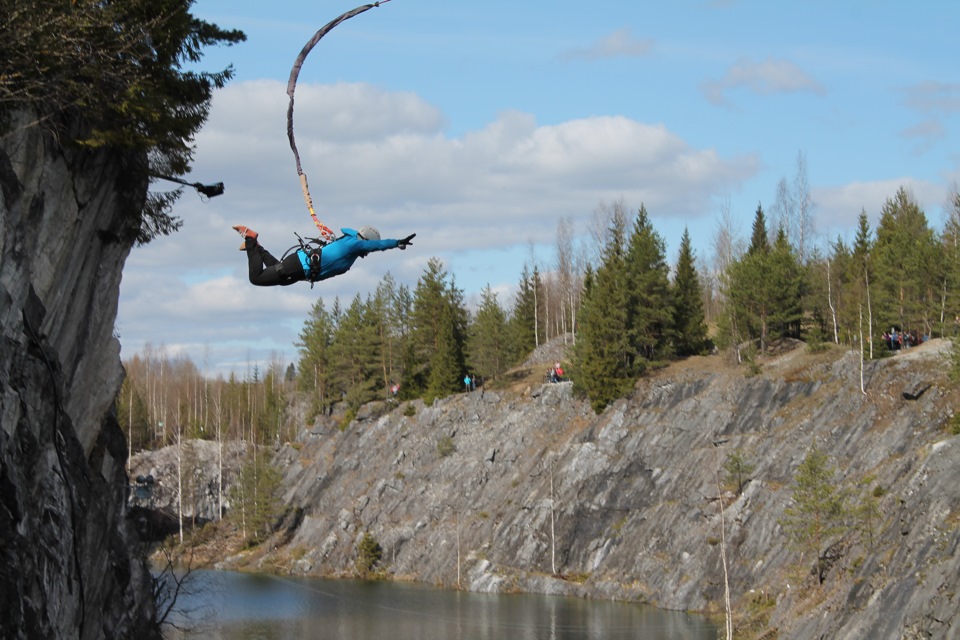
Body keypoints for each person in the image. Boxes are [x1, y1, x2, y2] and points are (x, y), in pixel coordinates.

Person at [234, 225, 415, 287]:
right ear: (365, 240)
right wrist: (396, 242)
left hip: (299, 270)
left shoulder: (349, 246)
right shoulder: (355, 244)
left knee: (276, 270)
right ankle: (251, 238)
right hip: (299, 266)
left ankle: (257, 247)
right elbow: (377, 245)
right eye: (367, 247)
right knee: (256, 278)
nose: (367, 252)